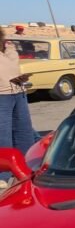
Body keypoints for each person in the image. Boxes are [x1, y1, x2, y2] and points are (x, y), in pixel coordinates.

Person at [0, 27, 36, 188]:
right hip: (2, 95)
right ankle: (3, 174)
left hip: (18, 92)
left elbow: (10, 66)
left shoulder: (9, 48)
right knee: (3, 136)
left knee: (24, 132)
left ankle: (28, 166)